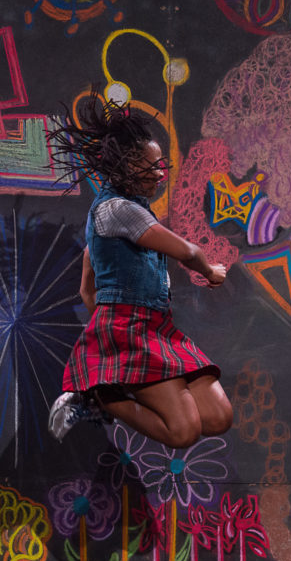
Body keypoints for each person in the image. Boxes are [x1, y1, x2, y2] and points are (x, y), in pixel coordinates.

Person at [45, 91, 233, 449]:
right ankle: (96, 397)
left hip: (155, 326)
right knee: (183, 432)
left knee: (219, 417)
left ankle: (104, 389)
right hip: (131, 329)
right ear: (130, 166)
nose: (161, 174)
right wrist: (210, 272)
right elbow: (188, 251)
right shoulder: (119, 210)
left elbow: (88, 288)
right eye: (154, 166)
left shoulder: (125, 213)